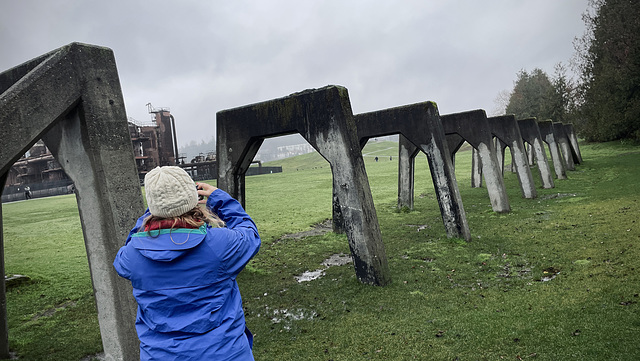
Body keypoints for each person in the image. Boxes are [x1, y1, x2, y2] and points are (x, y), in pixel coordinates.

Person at [113, 166, 261, 360]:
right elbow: (250, 235)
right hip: (225, 353)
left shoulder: (132, 257)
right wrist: (220, 198)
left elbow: (133, 243)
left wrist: (154, 211)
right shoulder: (219, 245)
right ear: (191, 199)